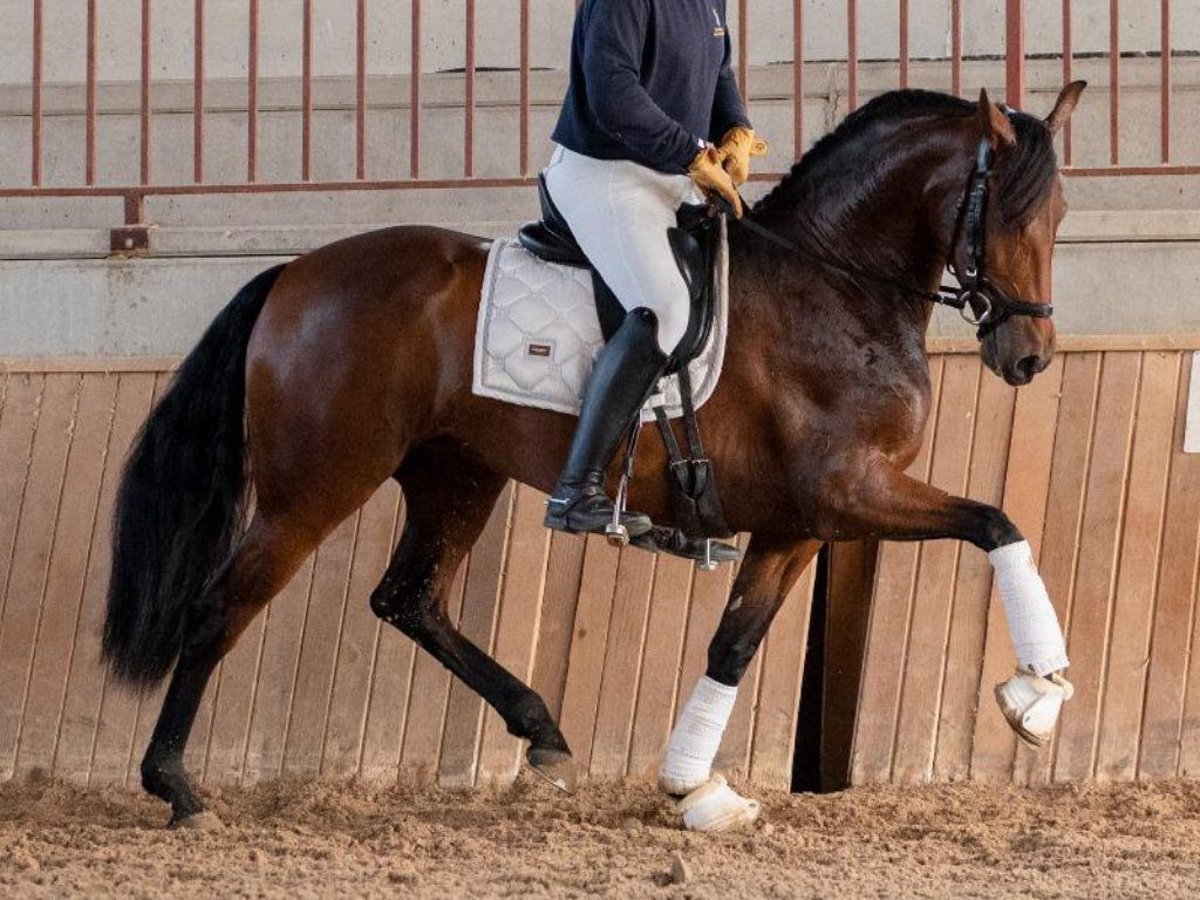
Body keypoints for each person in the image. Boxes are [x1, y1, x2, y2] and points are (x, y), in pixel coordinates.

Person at [542, 0, 768, 537]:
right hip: (603, 174)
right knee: (664, 308)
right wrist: (691, 152)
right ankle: (577, 490)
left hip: (667, 174)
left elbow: (717, 71)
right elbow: (612, 94)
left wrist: (735, 128)